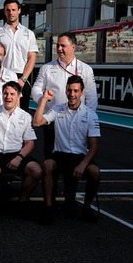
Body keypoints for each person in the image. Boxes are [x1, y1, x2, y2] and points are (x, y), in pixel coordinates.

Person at [33, 75, 101, 224]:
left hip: (79, 156)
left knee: (95, 172)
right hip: (60, 155)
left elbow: (94, 147)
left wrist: (83, 164)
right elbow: (37, 122)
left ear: (82, 92)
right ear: (65, 91)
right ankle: (49, 209)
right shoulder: (57, 109)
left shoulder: (91, 115)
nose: (72, 94)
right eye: (69, 90)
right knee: (47, 165)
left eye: (76, 91)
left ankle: (87, 208)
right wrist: (44, 99)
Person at [0, 82, 42, 217]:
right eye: (5, 93)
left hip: (16, 155)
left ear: (19, 96)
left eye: (12, 94)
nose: (8, 97)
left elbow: (29, 143)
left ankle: (21, 202)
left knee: (36, 170)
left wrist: (19, 158)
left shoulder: (25, 116)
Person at [31, 32, 98, 159]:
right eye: (57, 45)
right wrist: (42, 99)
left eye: (63, 46)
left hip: (77, 120)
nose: (59, 49)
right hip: (52, 119)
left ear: (73, 47)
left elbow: (92, 97)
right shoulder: (47, 68)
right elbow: (35, 89)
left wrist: (87, 118)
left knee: (78, 159)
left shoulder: (86, 69)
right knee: (50, 159)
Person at [0, 0, 38, 110]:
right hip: (2, 76)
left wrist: (23, 79)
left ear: (19, 11)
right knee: (0, 111)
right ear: (5, 12)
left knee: (22, 114)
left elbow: (32, 58)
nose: (11, 13)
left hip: (22, 78)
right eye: (8, 10)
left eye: (13, 10)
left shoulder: (28, 34)